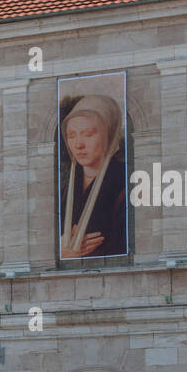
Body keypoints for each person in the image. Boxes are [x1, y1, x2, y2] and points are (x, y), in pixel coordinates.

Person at [58, 93, 126, 260]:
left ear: (108, 134)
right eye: (71, 136)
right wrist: (61, 251)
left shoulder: (125, 182)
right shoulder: (66, 189)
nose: (79, 145)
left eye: (88, 134)